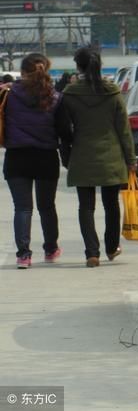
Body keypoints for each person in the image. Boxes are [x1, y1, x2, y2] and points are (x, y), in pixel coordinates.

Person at [62, 47, 137, 267]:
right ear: (100, 65)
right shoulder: (112, 92)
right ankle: (112, 248)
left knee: (85, 207)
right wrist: (131, 159)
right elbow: (124, 129)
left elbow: (64, 130)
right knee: (111, 204)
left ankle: (91, 254)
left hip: (82, 155)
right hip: (111, 156)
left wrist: (66, 157)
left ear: (78, 66)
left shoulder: (70, 94)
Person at [2, 53, 72, 269]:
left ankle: (24, 255)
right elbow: (64, 131)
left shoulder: (9, 94)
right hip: (45, 157)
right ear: (46, 71)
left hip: (17, 157)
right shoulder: (55, 97)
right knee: (46, 206)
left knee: (22, 208)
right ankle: (50, 249)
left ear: (22, 72)